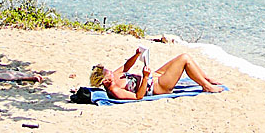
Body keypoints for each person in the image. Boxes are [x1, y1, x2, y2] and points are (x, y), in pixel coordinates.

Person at [90, 47, 223, 100]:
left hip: (153, 77)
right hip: (157, 87)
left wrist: (137, 55)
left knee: (180, 58)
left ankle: (206, 78)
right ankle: (206, 86)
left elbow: (126, 67)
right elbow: (138, 96)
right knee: (184, 58)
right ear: (105, 80)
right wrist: (146, 77)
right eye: (107, 73)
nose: (110, 72)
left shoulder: (115, 75)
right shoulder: (116, 90)